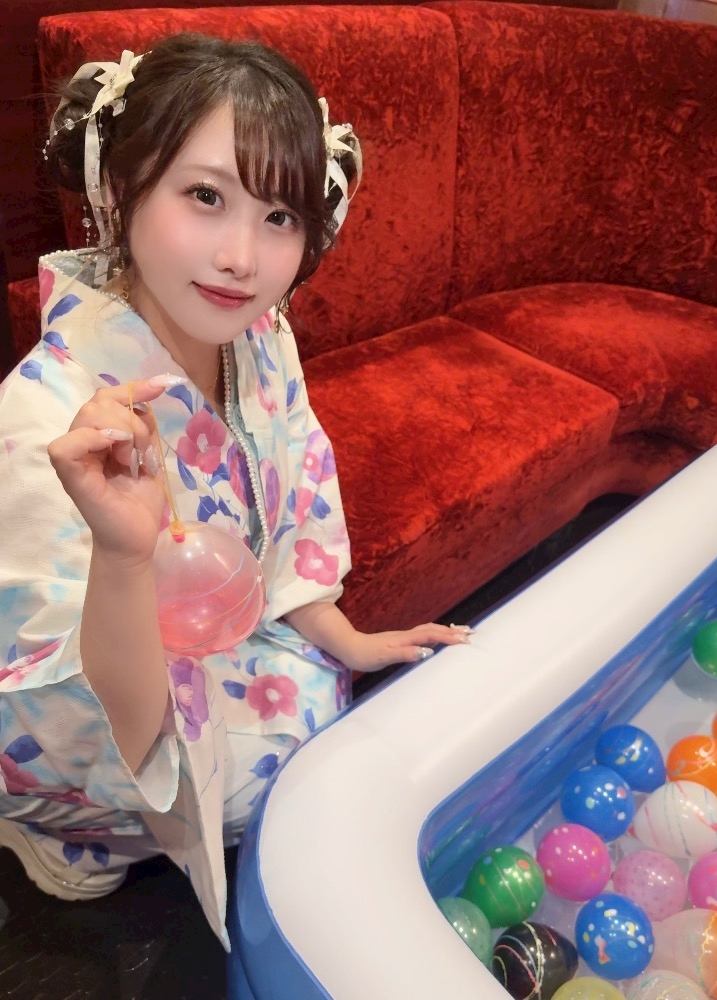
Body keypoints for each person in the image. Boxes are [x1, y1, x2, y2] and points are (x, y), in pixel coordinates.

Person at [0, 33, 471, 946]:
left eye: (279, 215)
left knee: (320, 700)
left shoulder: (259, 340)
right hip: (96, 702)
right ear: (119, 188)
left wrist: (346, 638)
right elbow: (78, 710)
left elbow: (296, 495)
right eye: (206, 197)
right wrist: (123, 557)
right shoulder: (41, 420)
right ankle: (63, 833)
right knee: (272, 775)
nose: (242, 259)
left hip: (212, 638)